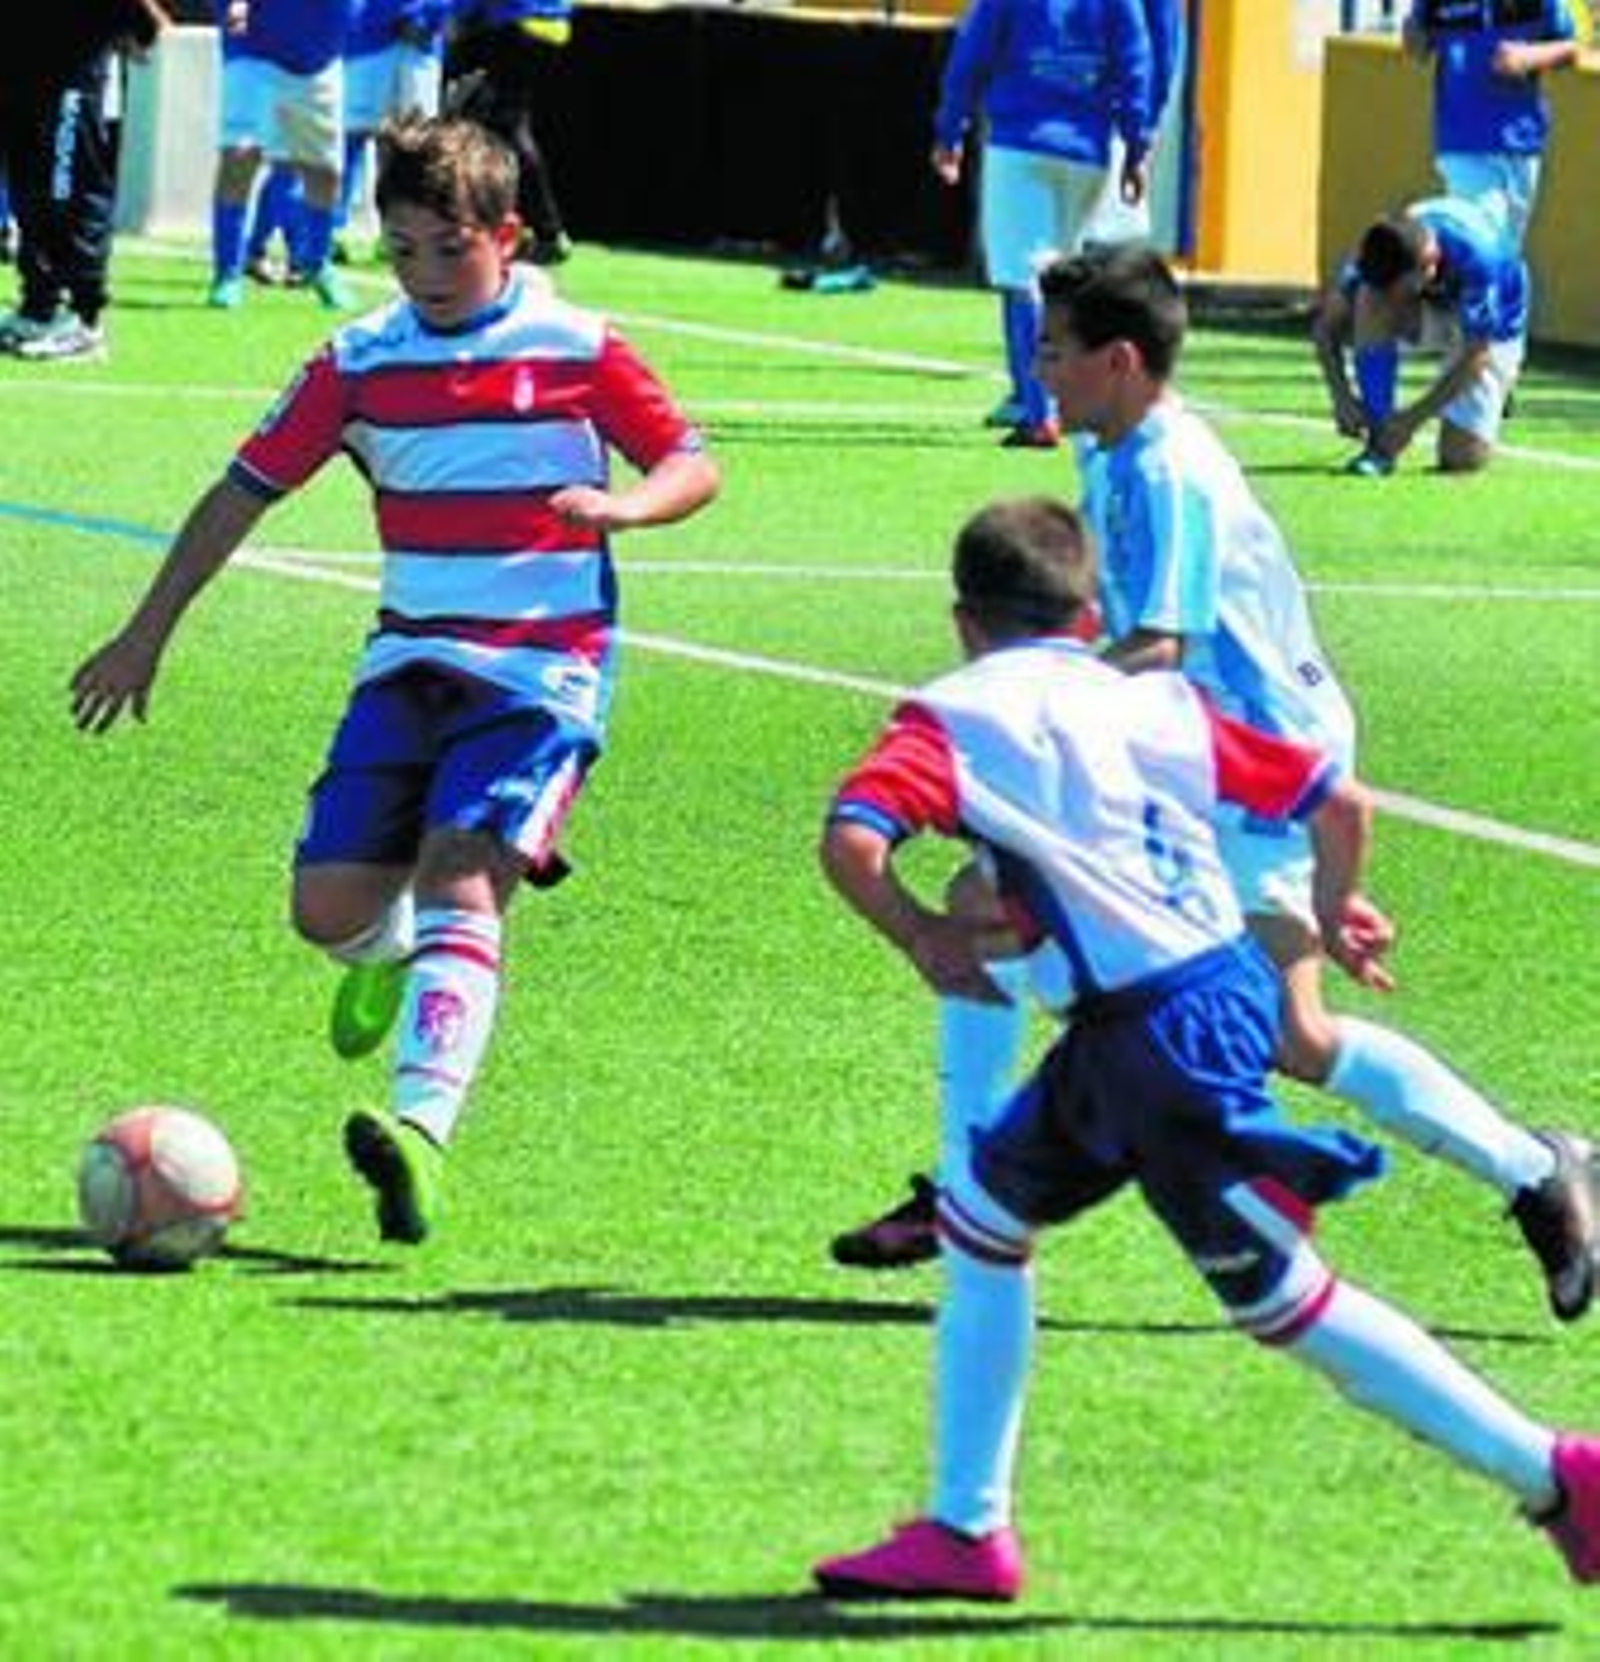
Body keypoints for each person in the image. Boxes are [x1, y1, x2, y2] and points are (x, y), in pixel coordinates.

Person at [810, 495, 1600, 1602]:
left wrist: (923, 936)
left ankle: (1559, 1477)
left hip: (1158, 1041)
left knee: (1285, 1304)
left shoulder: (950, 717)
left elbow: (852, 840)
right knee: (983, 1222)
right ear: (1090, 616)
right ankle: (966, 1530)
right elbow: (1338, 802)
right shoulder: (1156, 702)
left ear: (962, 622)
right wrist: (1335, 905)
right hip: (1184, 1001)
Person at [834, 244, 1600, 1334]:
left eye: (1054, 352)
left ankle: (1537, 1170)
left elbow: (1159, 641)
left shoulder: (1169, 471)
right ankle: (975, 1184)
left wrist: (1022, 714)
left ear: (1119, 361)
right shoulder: (1114, 450)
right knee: (1046, 931)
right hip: (1199, 755)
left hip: (1251, 760)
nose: (1039, 370)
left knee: (1035, 927)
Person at [69, 115, 720, 1245]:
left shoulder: (578, 346)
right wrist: (145, 634)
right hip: (407, 662)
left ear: (508, 238)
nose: (426, 273)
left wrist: (627, 507)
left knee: (462, 874)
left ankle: (419, 1136)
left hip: (540, 671)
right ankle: (389, 952)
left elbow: (691, 461)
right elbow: (240, 492)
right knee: (325, 909)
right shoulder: (358, 361)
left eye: (450, 249)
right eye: (403, 249)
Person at [930, 0, 1156, 448]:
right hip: (1087, 151)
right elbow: (1136, 61)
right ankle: (1081, 399)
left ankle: (1040, 413)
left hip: (1021, 144)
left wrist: (950, 128)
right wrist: (1136, 146)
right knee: (1062, 281)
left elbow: (972, 51)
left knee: (1024, 279)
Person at [0, 0, 169, 362]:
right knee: (30, 193)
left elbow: (148, 24)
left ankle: (83, 320)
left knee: (69, 188)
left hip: (73, 69)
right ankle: (39, 309)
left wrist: (140, 27)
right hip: (20, 64)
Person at [1313, 195, 1529, 476]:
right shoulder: (1382, 247)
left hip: (1491, 330)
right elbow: (1325, 328)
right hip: (1436, 309)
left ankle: (1504, 383)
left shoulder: (1479, 259)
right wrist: (1341, 396)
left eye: (1400, 289)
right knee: (1369, 297)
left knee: (1461, 458)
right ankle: (1380, 443)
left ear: (1430, 264)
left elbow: (1477, 353)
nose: (1392, 297)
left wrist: (1412, 420)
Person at [207, 0, 355, 312]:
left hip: (321, 56)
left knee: (325, 172)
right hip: (254, 47)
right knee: (239, 154)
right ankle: (227, 273)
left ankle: (317, 264)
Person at [1402, 0, 1582, 251]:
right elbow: (1418, 47)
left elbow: (1570, 50)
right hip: (1464, 144)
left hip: (1523, 144)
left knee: (1504, 252)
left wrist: (1528, 57)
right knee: (1481, 243)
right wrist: (1412, 33)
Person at [448, 0, 574, 266]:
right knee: (501, 128)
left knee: (489, 128)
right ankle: (528, 229)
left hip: (515, 25)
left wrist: (456, 15)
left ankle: (544, 232)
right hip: (548, 26)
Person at [337, 0, 455, 261]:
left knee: (418, 143)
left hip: (421, 42)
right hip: (366, 33)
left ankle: (411, 232)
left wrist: (431, 18)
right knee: (351, 137)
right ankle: (333, 230)